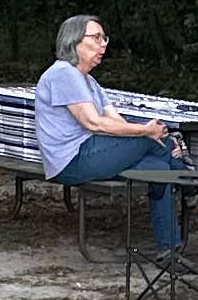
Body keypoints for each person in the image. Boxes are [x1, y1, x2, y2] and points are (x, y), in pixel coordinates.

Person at [35, 15, 187, 247]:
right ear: (74, 40)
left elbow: (116, 121)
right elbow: (94, 123)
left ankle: (170, 251)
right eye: (96, 37)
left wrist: (152, 133)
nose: (103, 44)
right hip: (72, 160)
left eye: (104, 38)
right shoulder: (63, 73)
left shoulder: (90, 82)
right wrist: (148, 132)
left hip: (96, 153)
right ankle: (192, 185)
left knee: (160, 168)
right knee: (153, 142)